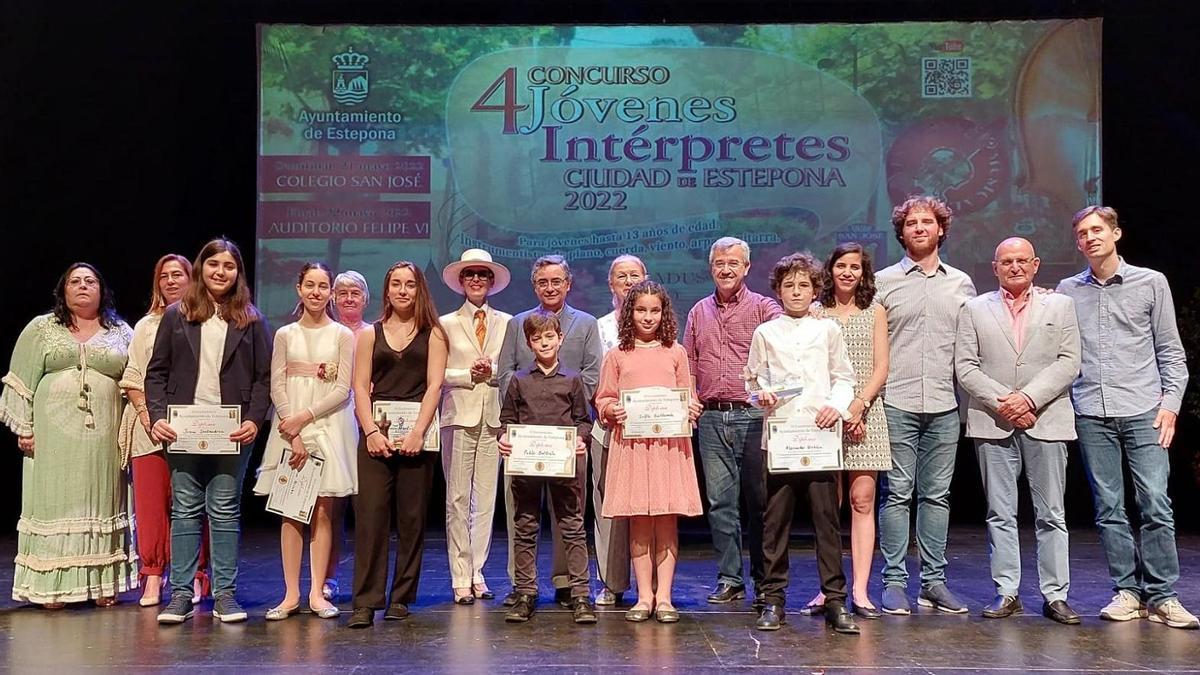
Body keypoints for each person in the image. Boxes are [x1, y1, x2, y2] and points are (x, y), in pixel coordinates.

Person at [1057, 206, 1197, 630]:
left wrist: (1170, 404)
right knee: (1109, 507)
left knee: (1155, 502)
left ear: (1116, 233)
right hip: (1091, 411)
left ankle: (1163, 595)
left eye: (1097, 230)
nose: (1090, 238)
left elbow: (1171, 351)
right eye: (1082, 233)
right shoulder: (1067, 290)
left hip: (1143, 409)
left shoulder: (1151, 283)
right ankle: (1128, 592)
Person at [147, 238, 272, 625]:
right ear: (201, 268)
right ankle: (181, 595)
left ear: (239, 273)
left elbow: (264, 378)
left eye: (229, 266)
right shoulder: (176, 315)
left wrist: (253, 418)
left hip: (231, 432)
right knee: (184, 509)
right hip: (183, 429)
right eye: (214, 264)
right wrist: (156, 417)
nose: (221, 272)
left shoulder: (251, 319)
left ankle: (225, 595)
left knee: (223, 509)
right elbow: (156, 373)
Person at [956, 237, 1082, 625]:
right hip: (993, 422)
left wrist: (1027, 399)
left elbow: (1069, 362)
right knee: (1000, 512)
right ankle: (1006, 591)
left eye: (1021, 261)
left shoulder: (1060, 305)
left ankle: (1055, 594)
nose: (1014, 267)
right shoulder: (974, 309)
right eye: (1006, 261)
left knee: (1052, 513)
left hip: (1047, 419)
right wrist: (1004, 403)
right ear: (994, 268)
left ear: (1036, 264)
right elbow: (966, 366)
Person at [0, 263, 137, 608]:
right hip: (53, 441)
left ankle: (106, 584)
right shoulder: (42, 329)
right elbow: (20, 380)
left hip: (105, 439)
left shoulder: (121, 331)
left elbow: (136, 379)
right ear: (63, 291)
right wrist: (24, 426)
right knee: (54, 502)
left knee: (104, 499)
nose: (82, 286)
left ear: (101, 291)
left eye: (90, 281)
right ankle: (54, 587)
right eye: (74, 281)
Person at [745, 253, 860, 635]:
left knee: (826, 522)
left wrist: (836, 407)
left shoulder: (826, 330)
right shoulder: (766, 333)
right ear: (777, 290)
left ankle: (836, 601)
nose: (796, 292)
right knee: (774, 523)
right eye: (789, 285)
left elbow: (844, 377)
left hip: (819, 437)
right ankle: (774, 600)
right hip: (780, 439)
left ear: (815, 290)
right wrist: (759, 395)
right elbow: (752, 382)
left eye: (804, 285)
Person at [875, 196, 976, 615]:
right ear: (901, 232)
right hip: (895, 400)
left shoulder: (962, 284)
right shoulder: (881, 282)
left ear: (940, 229)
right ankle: (894, 581)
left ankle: (933, 582)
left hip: (943, 403)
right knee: (897, 494)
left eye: (926, 221)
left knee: (937, 496)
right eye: (911, 223)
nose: (918, 227)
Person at [496, 255, 603, 607]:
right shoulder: (518, 323)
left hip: (567, 439)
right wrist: (519, 433)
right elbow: (507, 374)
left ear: (568, 284)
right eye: (543, 282)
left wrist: (567, 433)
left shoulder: (586, 324)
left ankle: (571, 586)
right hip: (526, 440)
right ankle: (524, 587)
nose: (550, 287)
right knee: (524, 520)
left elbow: (590, 377)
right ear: (534, 285)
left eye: (556, 281)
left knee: (570, 521)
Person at [253, 262, 356, 620]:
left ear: (331, 292)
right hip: (289, 429)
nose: (316, 292)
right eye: (310, 285)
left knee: (324, 511)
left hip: (328, 425)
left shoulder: (343, 335)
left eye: (323, 286)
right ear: (299, 288)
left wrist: (305, 417)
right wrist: (290, 425)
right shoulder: (285, 334)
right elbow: (277, 383)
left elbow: (343, 388)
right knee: (290, 509)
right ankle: (290, 593)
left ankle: (317, 592)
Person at [347, 262, 448, 629]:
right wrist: (371, 431)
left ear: (419, 290)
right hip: (377, 436)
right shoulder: (369, 335)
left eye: (409, 285)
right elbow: (359, 386)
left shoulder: (433, 333)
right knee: (371, 518)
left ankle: (401, 597)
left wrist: (419, 432)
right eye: (396, 284)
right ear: (387, 290)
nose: (403, 290)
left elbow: (435, 386)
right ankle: (366, 600)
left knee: (411, 519)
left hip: (418, 437)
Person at [595, 280, 702, 623]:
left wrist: (692, 408)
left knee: (666, 520)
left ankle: (666, 597)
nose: (648, 317)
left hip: (668, 447)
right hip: (633, 447)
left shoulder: (676, 352)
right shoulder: (617, 355)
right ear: (630, 312)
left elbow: (688, 395)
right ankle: (644, 597)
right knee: (639, 521)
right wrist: (612, 411)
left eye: (654, 310)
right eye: (641, 309)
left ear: (664, 313)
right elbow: (604, 399)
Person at [683, 236, 780, 605]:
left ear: (747, 268)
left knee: (760, 504)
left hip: (753, 415)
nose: (726, 269)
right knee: (720, 504)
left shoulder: (764, 308)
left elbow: (788, 336)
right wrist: (690, 398)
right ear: (711, 268)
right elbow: (689, 363)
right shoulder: (697, 312)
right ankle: (730, 578)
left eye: (734, 263)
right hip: (711, 418)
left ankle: (763, 578)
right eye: (720, 263)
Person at [799, 243, 891, 619]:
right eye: (841, 266)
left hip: (866, 415)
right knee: (827, 505)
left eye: (855, 267)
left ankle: (860, 590)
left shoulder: (875, 311)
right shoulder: (816, 313)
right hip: (827, 415)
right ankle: (829, 588)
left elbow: (881, 367)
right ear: (830, 270)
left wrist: (858, 406)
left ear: (863, 272)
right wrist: (838, 407)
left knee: (862, 500)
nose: (848, 272)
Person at [119, 253, 212, 607]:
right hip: (150, 428)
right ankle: (154, 576)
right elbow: (134, 377)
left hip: (193, 428)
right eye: (164, 276)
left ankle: (196, 575)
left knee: (191, 504)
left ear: (193, 279)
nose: (171, 281)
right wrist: (148, 416)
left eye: (179, 274)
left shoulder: (206, 321)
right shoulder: (145, 326)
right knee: (151, 505)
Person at [438, 249, 512, 604]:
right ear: (461, 282)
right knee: (456, 497)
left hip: (493, 416)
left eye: (483, 275)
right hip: (458, 414)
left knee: (485, 499)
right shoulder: (445, 323)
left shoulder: (508, 322)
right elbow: (435, 374)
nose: (477, 280)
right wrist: (468, 374)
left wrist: (492, 372)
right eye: (471, 275)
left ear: (492, 281)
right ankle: (459, 574)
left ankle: (478, 571)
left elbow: (511, 369)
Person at [590, 255, 642, 606]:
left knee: (647, 508)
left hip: (648, 431)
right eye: (621, 276)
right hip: (607, 427)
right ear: (611, 284)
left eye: (634, 275)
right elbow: (593, 379)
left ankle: (651, 587)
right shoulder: (599, 327)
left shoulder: (661, 327)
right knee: (608, 507)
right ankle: (611, 582)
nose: (628, 281)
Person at [322, 269, 371, 601]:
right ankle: (327, 576)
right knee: (331, 507)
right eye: (343, 293)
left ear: (365, 299)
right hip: (334, 423)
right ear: (332, 298)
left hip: (368, 426)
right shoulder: (325, 334)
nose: (349, 298)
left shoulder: (374, 333)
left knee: (367, 508)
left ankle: (367, 581)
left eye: (355, 293)